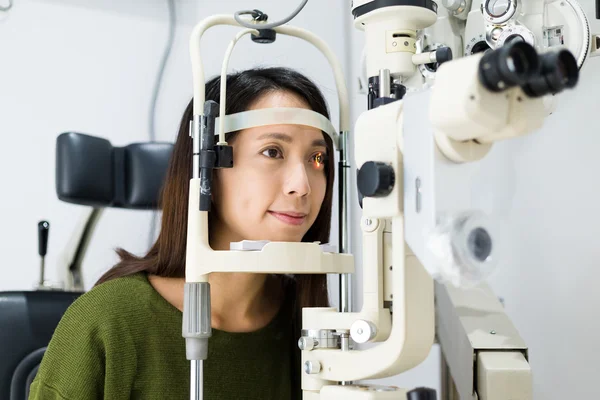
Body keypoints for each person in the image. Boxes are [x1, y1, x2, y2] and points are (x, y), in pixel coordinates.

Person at [28, 67, 336, 400]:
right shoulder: (108, 321)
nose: (302, 185)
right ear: (207, 169)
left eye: (316, 158)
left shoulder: (308, 320)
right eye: (272, 152)